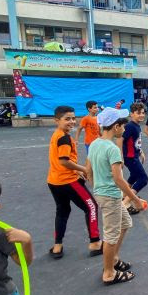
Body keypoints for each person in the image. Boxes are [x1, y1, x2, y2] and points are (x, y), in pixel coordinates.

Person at [86, 108, 141, 285]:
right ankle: (109, 273)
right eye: (123, 126)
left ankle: (114, 260)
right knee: (110, 236)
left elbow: (88, 171)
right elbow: (118, 178)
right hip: (109, 195)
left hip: (104, 194)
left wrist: (96, 188)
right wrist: (135, 198)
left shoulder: (95, 144)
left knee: (125, 223)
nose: (124, 129)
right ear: (116, 126)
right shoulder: (112, 149)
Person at [46, 105, 102, 259]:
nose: (71, 121)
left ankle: (57, 245)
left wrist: (76, 169)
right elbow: (64, 161)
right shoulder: (64, 138)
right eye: (67, 119)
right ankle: (95, 242)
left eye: (73, 118)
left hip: (54, 181)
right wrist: (84, 169)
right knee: (91, 207)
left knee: (63, 211)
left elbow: (60, 161)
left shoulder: (57, 135)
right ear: (57, 120)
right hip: (68, 181)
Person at [119, 103, 148, 214]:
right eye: (138, 113)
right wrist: (120, 156)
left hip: (134, 155)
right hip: (130, 158)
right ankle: (125, 203)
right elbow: (120, 140)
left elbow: (135, 142)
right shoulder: (130, 126)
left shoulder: (137, 125)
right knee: (143, 179)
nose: (141, 115)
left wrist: (141, 152)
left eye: (143, 113)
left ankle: (124, 195)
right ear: (132, 114)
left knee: (134, 176)